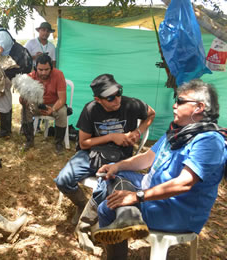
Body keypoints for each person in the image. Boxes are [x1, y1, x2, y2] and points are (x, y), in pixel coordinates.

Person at [91, 80, 227, 259]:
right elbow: (147, 159)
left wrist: (136, 196)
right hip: (152, 190)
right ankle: (125, 215)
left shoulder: (208, 141)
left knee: (106, 207)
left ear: (199, 107)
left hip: (175, 211)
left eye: (180, 101)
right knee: (111, 176)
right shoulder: (179, 132)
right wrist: (118, 165)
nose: (174, 105)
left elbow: (184, 184)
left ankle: (117, 220)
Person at [54, 73, 155, 252]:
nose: (116, 99)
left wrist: (138, 132)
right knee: (63, 180)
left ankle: (91, 221)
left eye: (118, 93)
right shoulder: (90, 109)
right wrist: (111, 137)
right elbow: (84, 142)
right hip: (91, 154)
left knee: (110, 186)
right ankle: (81, 204)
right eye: (110, 97)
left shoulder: (130, 103)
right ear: (98, 99)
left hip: (119, 158)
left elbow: (151, 113)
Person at [19, 54, 67, 153]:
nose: (43, 72)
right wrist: (24, 99)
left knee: (62, 112)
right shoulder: (30, 77)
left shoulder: (58, 75)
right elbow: (21, 100)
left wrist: (53, 109)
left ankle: (59, 143)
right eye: (40, 70)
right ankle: (29, 141)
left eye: (46, 69)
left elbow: (62, 99)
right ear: (36, 68)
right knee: (24, 109)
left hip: (54, 104)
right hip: (37, 105)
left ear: (51, 68)